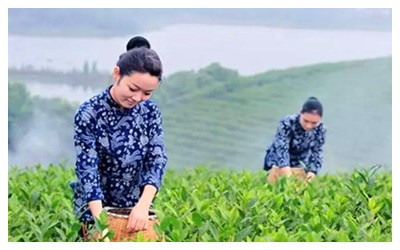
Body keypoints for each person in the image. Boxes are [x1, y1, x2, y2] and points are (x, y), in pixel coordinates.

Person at [70, 36, 167, 239]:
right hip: (95, 207)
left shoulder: (150, 111)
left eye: (147, 93)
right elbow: (88, 169)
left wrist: (143, 206)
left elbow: (155, 160)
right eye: (132, 89)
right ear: (117, 74)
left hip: (136, 209)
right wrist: (101, 222)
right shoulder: (90, 112)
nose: (137, 98)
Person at [263, 97, 326, 184]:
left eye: (314, 123)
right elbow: (281, 149)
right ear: (301, 113)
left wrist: (312, 173)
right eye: (306, 121)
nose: (308, 126)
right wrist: (289, 177)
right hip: (276, 161)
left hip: (299, 162)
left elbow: (317, 153)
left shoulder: (320, 129)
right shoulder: (287, 123)